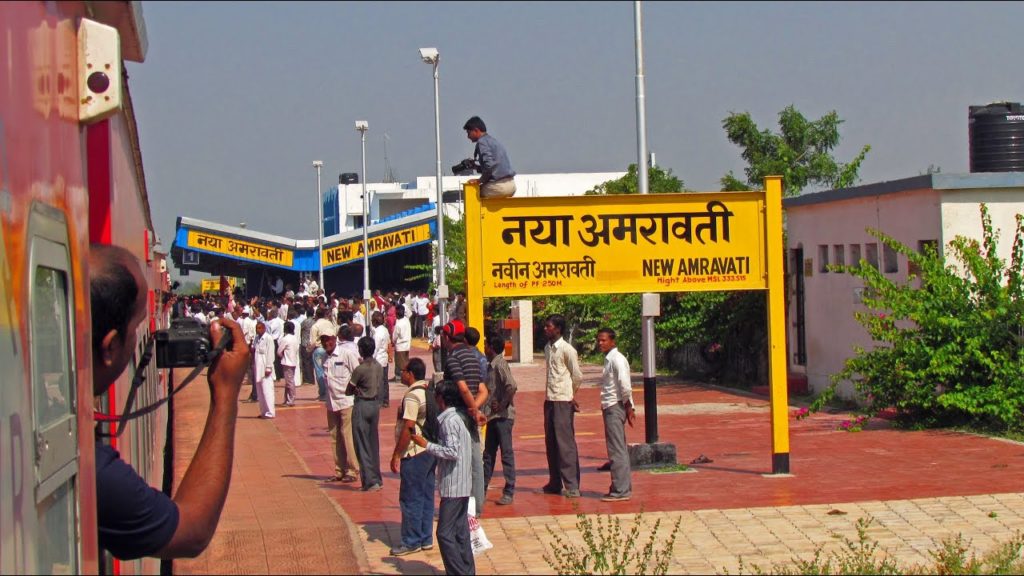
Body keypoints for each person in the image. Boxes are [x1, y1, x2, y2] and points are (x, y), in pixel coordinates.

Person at [91, 244, 248, 559]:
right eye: (138, 328)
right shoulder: (94, 467)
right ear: (110, 347)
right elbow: (190, 531)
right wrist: (225, 396)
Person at [410, 381, 474, 575]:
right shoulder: (456, 419)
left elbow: (452, 451)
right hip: (461, 484)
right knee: (460, 532)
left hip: (454, 486)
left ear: (441, 399)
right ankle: (467, 570)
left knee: (444, 533)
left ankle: (459, 572)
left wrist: (426, 445)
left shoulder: (449, 421)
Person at [389, 358, 437, 556]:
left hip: (414, 452)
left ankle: (411, 541)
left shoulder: (412, 396)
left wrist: (397, 454)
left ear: (410, 374)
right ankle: (425, 538)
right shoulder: (428, 392)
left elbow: (408, 427)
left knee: (410, 498)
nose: (401, 373)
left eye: (404, 370)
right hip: (429, 450)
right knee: (426, 496)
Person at [442, 319, 488, 516]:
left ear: (447, 337)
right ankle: (477, 508)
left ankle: (460, 509)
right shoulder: (474, 356)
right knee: (476, 461)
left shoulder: (453, 359)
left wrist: (472, 410)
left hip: (458, 414)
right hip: (470, 415)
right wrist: (476, 409)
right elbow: (483, 390)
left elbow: (462, 388)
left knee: (456, 462)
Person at [541, 314, 583, 498]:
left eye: (549, 326)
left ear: (558, 329)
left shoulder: (567, 350)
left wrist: (570, 394)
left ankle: (572, 484)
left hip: (563, 400)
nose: (545, 329)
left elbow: (577, 375)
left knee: (565, 444)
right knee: (551, 442)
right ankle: (555, 481)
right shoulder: (547, 348)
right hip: (549, 399)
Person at [596, 328, 635, 502]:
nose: (600, 343)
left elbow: (625, 386)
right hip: (610, 406)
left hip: (615, 406)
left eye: (604, 340)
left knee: (617, 450)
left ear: (613, 341)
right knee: (617, 448)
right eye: (599, 340)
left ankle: (621, 490)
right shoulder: (609, 359)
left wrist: (629, 407)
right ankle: (620, 486)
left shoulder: (617, 359)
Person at [483, 333, 517, 506]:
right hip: (493, 416)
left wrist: (503, 404)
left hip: (503, 417)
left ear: (491, 348)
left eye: (486, 345)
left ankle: (509, 490)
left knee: (506, 453)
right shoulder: (490, 365)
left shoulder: (500, 364)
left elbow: (512, 385)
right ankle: (482, 487)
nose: (484, 348)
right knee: (488, 454)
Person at [322, 331, 361, 483]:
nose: (326, 343)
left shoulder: (346, 354)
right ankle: (339, 469)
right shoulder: (324, 357)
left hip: (346, 401)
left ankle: (352, 470)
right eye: (323, 340)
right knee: (334, 437)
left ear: (334, 339)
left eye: (329, 340)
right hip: (331, 402)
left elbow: (357, 373)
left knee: (347, 436)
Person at [347, 336, 383, 491]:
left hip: (362, 404)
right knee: (373, 443)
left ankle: (370, 481)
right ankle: (377, 478)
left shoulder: (360, 369)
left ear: (361, 350)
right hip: (374, 404)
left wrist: (357, 389)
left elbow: (348, 390)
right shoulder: (378, 366)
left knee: (361, 444)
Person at [463, 115, 516, 199]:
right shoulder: (493, 141)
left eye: (468, 133)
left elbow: (489, 167)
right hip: (511, 185)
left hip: (499, 187)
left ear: (476, 130)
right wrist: (476, 167)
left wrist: (479, 181)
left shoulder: (482, 142)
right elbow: (494, 168)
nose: (468, 136)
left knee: (472, 193)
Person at [253, 320, 276, 419]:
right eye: (256, 328)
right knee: (260, 391)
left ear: (264, 328)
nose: (258, 330)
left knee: (267, 390)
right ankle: (264, 411)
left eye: (259, 328)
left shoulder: (268, 338)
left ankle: (270, 412)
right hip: (257, 366)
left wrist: (268, 367)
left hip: (265, 366)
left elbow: (270, 353)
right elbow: (254, 349)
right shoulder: (256, 338)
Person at [371, 311, 392, 407]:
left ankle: (380, 401)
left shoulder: (377, 333)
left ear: (374, 321)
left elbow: (375, 348)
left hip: (378, 359)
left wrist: (370, 360)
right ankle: (385, 400)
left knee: (379, 382)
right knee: (384, 381)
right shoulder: (385, 330)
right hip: (384, 359)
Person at [277, 321, 300, 406]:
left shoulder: (285, 339)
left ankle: (291, 400)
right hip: (293, 361)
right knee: (288, 382)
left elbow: (279, 351)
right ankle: (287, 399)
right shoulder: (295, 338)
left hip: (287, 362)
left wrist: (282, 356)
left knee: (289, 382)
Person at [392, 304, 412, 383]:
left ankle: (401, 378)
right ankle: (398, 376)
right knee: (405, 361)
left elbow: (395, 336)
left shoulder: (398, 324)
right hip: (407, 344)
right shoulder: (406, 320)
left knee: (401, 364)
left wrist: (393, 341)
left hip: (400, 346)